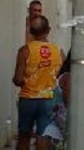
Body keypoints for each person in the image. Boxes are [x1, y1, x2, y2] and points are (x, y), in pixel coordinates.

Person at [13, 16, 63, 150]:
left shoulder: (25, 51)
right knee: (43, 136)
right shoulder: (59, 52)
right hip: (49, 100)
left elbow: (17, 80)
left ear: (30, 31)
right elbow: (61, 78)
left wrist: (26, 81)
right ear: (49, 30)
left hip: (28, 100)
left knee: (24, 136)